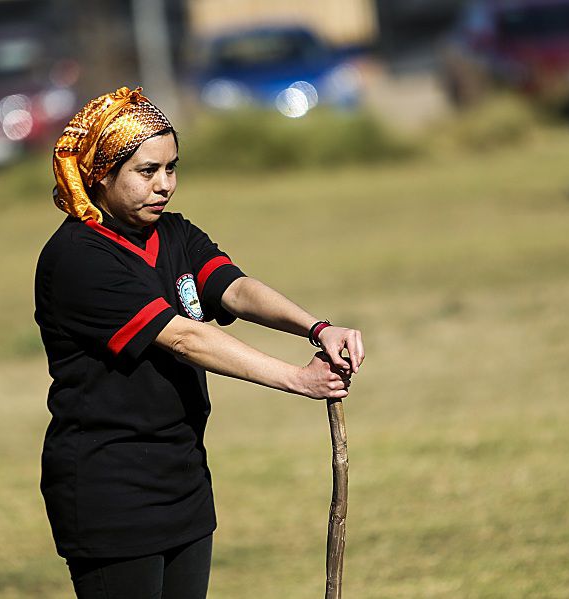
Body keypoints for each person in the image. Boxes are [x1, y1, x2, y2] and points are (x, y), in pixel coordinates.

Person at [34, 86, 365, 599]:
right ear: (101, 172)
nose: (164, 184)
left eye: (172, 168)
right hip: (111, 490)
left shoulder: (175, 233)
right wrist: (297, 379)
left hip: (183, 478)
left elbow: (234, 288)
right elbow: (185, 338)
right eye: (147, 171)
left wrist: (317, 328)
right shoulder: (78, 258)